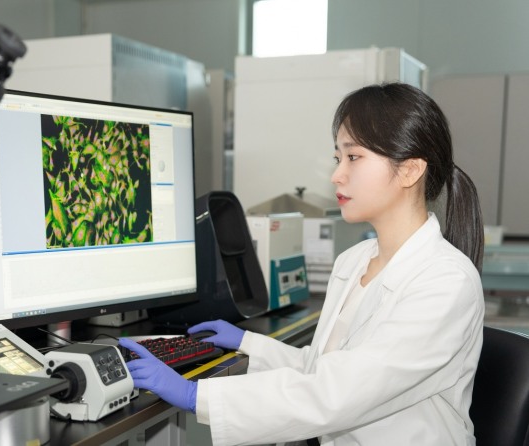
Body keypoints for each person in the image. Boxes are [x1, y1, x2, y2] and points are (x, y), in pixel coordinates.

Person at [119, 82, 485, 446]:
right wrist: (250, 344)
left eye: (353, 157)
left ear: (409, 171)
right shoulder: (354, 261)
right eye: (337, 158)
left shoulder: (446, 282)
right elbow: (324, 367)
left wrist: (197, 397)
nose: (336, 175)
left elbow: (338, 392)